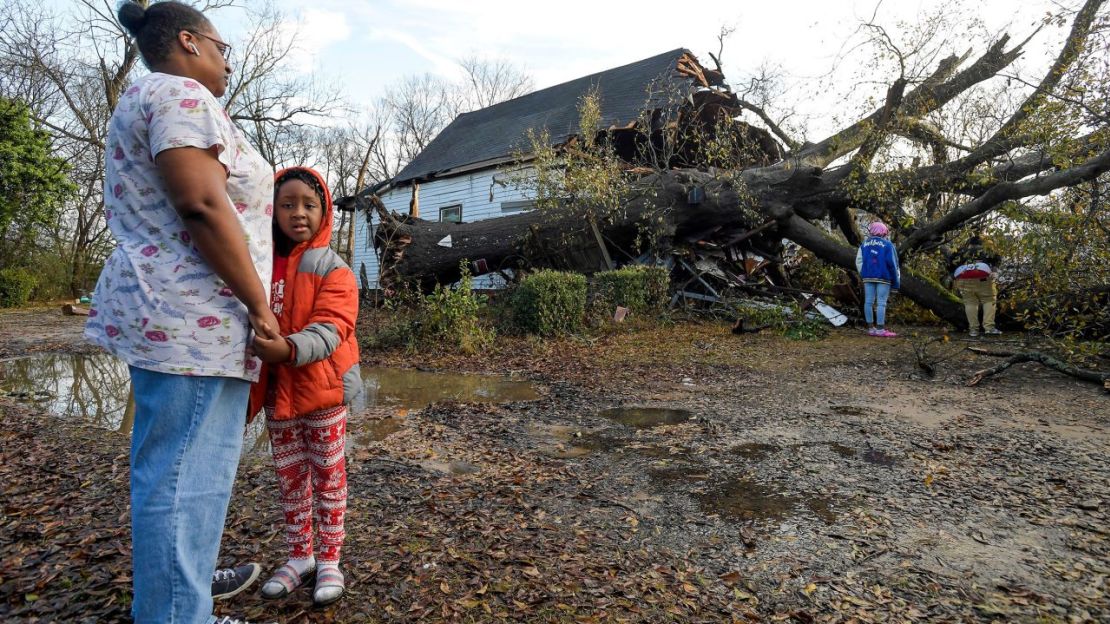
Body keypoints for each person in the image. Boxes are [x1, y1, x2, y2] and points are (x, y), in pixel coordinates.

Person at [84, 2, 274, 622]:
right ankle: (174, 614)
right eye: (222, 48)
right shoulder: (180, 95)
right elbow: (201, 204)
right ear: (189, 41)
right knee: (181, 482)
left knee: (186, 478)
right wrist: (259, 304)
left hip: (185, 321)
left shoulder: (156, 95)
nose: (226, 61)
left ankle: (182, 596)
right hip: (193, 319)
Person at [248, 167, 361, 607]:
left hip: (323, 395)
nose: (298, 213)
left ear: (325, 210)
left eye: (309, 205)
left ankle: (330, 559)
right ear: (271, 211)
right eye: (287, 204)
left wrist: (286, 350)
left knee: (330, 479)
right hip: (279, 399)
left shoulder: (335, 270)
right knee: (291, 481)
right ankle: (300, 557)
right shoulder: (260, 266)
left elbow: (332, 328)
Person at [950, 234, 1003, 337]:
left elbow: (951, 263)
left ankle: (973, 330)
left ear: (969, 243)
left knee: (970, 303)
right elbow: (997, 258)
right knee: (989, 299)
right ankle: (989, 327)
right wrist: (994, 270)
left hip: (963, 279)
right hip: (983, 279)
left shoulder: (961, 251)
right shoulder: (987, 249)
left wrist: (953, 277)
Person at [855, 221, 901, 337]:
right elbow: (893, 264)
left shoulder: (864, 244)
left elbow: (858, 261)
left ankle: (871, 328)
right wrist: (896, 283)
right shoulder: (888, 245)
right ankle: (880, 329)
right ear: (884, 232)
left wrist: (864, 273)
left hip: (868, 277)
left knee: (868, 302)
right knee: (881, 303)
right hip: (883, 278)